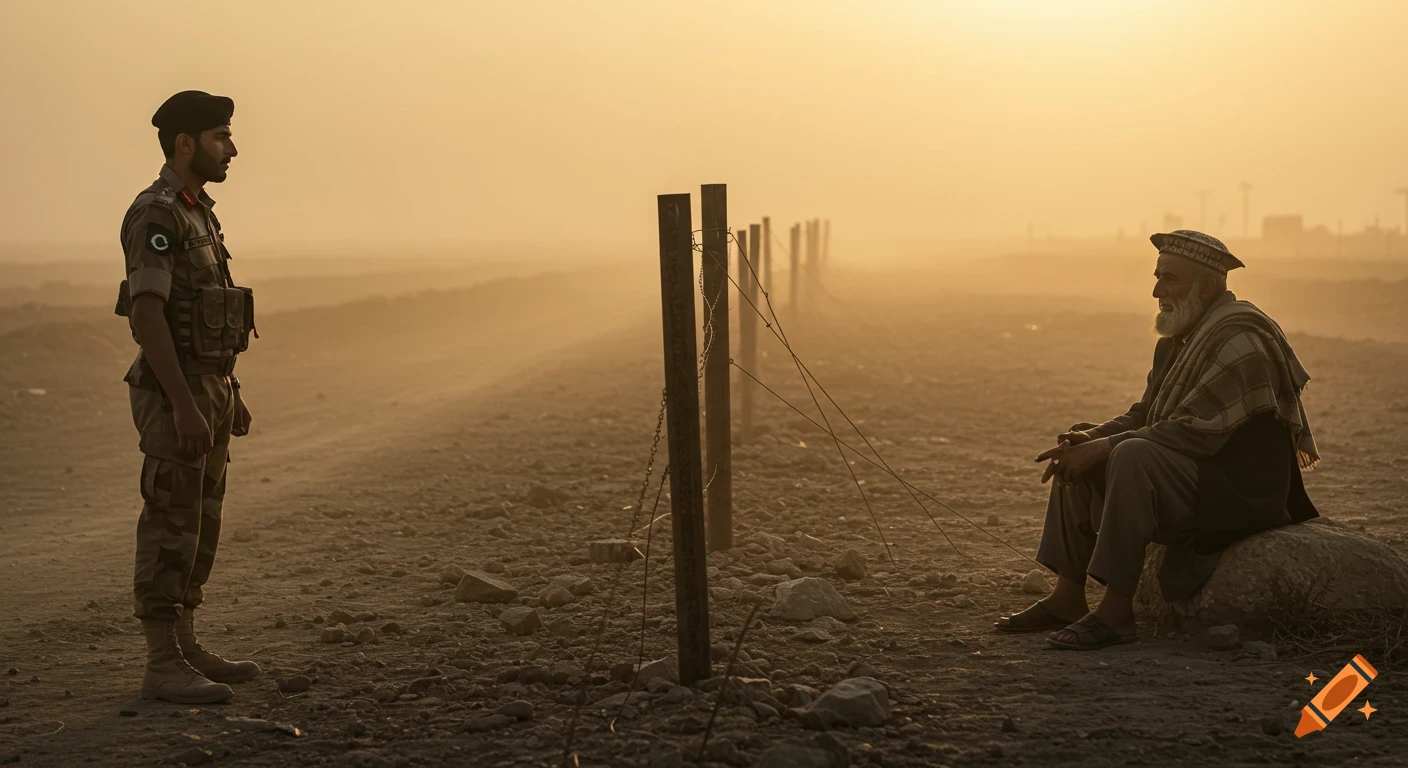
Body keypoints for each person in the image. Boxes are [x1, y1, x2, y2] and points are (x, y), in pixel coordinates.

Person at [995, 230, 1320, 650]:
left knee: (1131, 454)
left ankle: (1115, 614)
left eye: (1169, 279)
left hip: (1237, 491)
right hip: (1194, 473)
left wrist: (1106, 446)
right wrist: (1090, 438)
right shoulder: (1180, 340)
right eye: (1156, 277)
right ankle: (1067, 598)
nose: (1156, 291)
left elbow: (1196, 432)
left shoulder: (1241, 340)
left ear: (1206, 286)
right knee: (1085, 448)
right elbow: (1147, 414)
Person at [115, 90, 259, 702]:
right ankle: (160, 663)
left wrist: (228, 388)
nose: (231, 147)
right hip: (178, 390)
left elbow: (203, 310)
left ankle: (186, 642)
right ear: (185, 143)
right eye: (221, 136)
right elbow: (147, 315)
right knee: (171, 520)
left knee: (202, 522)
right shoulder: (158, 214)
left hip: (209, 383)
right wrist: (182, 402)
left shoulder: (199, 211)